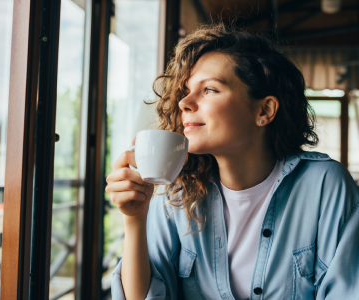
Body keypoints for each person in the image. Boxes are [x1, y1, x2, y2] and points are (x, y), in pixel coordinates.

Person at [106, 24, 359, 300]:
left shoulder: (324, 185)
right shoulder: (176, 193)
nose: (184, 103)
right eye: (186, 91)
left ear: (264, 110)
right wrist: (134, 220)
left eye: (210, 90)